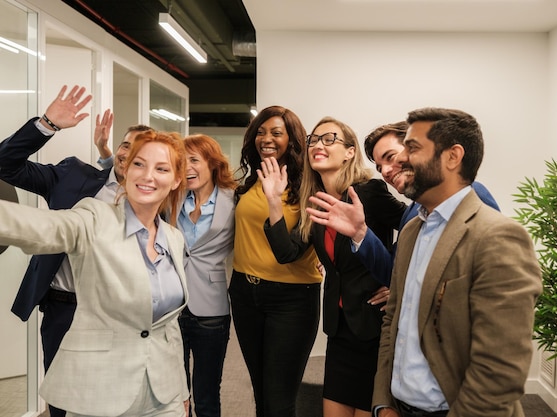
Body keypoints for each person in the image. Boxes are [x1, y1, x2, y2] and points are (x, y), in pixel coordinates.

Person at [0, 129, 190, 416]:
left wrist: (181, 390)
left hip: (163, 396)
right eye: (139, 163)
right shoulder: (95, 216)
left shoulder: (174, 238)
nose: (148, 175)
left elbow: (167, 328)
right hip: (100, 391)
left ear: (176, 179)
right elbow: (41, 226)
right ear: (126, 168)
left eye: (161, 168)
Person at [371, 107, 542, 417]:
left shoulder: (499, 236)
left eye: (412, 148)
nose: (400, 160)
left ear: (452, 156)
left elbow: (499, 371)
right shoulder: (411, 231)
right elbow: (393, 321)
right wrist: (383, 402)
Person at [260, 116, 406, 417]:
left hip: (374, 328)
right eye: (314, 140)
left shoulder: (369, 192)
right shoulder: (315, 202)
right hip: (339, 330)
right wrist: (273, 201)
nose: (318, 145)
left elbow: (416, 224)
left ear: (350, 152)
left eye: (329, 139)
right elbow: (287, 253)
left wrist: (400, 283)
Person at [307, 121, 499, 286]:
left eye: (390, 157)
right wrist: (360, 233)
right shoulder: (412, 215)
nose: (386, 171)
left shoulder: (470, 193)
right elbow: (394, 275)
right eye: (380, 167)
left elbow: (498, 275)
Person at [228, 106, 323, 417]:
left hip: (291, 299)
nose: (266, 138)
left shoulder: (311, 185)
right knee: (261, 393)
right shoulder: (248, 181)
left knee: (280, 399)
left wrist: (274, 201)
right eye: (261, 131)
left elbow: (288, 253)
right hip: (244, 293)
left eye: (276, 132)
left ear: (292, 139)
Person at [176, 134, 236, 417]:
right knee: (174, 393)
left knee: (207, 393)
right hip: (171, 308)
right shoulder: (171, 199)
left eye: (194, 160)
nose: (187, 167)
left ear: (212, 163)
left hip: (212, 309)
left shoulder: (233, 201)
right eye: (181, 161)